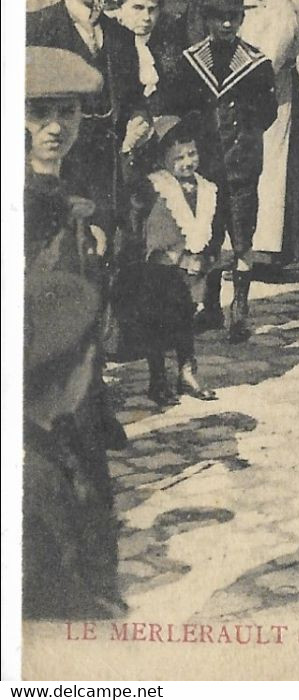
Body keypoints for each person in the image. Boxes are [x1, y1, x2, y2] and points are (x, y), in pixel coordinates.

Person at [23, 47, 127, 620]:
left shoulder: (74, 196)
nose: (55, 127)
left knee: (91, 501)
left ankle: (98, 594)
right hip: (31, 397)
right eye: (38, 112)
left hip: (79, 394)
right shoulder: (26, 202)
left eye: (68, 112)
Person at [155, 0, 278, 341]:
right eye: (218, 18)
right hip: (204, 169)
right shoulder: (190, 62)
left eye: (233, 17)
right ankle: (210, 307)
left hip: (241, 168)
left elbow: (266, 113)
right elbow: (174, 106)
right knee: (205, 239)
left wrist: (242, 142)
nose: (226, 25)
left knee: (242, 239)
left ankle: (239, 309)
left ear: (242, 19)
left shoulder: (256, 64)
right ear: (206, 19)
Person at [28, 0, 150, 234]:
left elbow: (134, 95)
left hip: (109, 172)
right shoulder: (37, 29)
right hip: (58, 165)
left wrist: (139, 117)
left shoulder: (121, 36)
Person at [115, 116, 220, 406]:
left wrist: (206, 257)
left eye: (192, 154)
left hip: (191, 270)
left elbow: (209, 227)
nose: (187, 162)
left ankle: (187, 373)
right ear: (162, 159)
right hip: (160, 272)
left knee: (186, 321)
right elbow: (129, 188)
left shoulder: (205, 188)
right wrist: (128, 152)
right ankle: (157, 378)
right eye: (178, 157)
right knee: (157, 324)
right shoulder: (154, 186)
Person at [241, 0, 299, 265]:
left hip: (274, 92)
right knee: (258, 162)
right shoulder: (266, 9)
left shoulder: (283, 14)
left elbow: (270, 60)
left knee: (273, 163)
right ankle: (259, 241)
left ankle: (271, 248)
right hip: (258, 91)